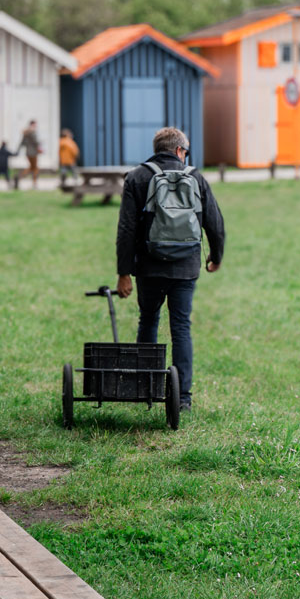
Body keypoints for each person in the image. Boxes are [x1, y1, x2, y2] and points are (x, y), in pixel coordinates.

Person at [114, 127, 225, 412]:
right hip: (185, 267)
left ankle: (146, 388)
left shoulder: (138, 177)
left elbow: (126, 229)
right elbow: (214, 220)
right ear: (179, 150)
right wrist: (216, 256)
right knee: (181, 328)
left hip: (149, 266)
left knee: (148, 321)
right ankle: (183, 398)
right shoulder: (196, 177)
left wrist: (124, 272)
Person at [20, 119, 42, 188]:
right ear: (32, 125)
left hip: (28, 152)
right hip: (33, 152)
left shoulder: (25, 133)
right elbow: (36, 142)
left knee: (32, 167)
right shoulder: (32, 132)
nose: (36, 126)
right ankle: (34, 182)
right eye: (35, 124)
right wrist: (39, 144)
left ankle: (19, 177)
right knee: (35, 168)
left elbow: (23, 143)